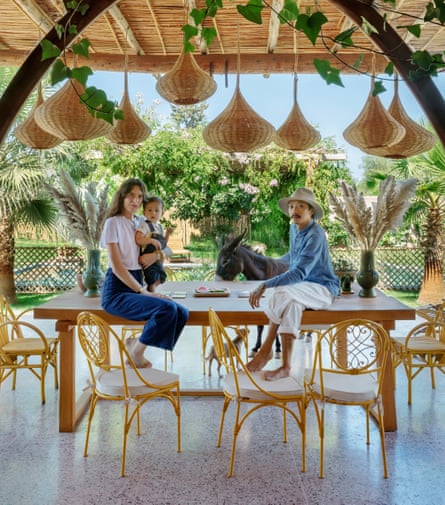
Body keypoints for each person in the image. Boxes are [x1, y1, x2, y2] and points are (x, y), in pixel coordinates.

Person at [247, 187, 340, 381]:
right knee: (292, 305)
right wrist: (271, 263)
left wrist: (265, 284)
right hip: (302, 289)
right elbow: (294, 258)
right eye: (291, 206)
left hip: (322, 287)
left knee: (280, 291)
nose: (294, 210)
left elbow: (299, 272)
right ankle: (286, 366)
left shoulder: (316, 234)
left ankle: (265, 350)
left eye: (300, 206)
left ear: (311, 211)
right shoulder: (294, 229)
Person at [100, 178, 189, 368]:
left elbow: (163, 249)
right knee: (166, 309)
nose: (136, 200)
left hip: (137, 281)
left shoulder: (141, 222)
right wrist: (143, 291)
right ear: (122, 196)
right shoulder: (112, 223)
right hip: (117, 289)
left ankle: (135, 342)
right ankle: (136, 354)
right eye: (131, 195)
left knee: (181, 312)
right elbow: (117, 266)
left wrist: (155, 255)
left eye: (140, 196)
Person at [136, 196, 174, 292]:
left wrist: (168, 234)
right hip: (148, 257)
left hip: (157, 259)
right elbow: (138, 239)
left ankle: (151, 291)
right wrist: (151, 241)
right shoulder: (144, 225)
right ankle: (152, 292)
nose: (153, 213)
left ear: (162, 213)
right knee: (152, 278)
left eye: (157, 210)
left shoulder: (160, 227)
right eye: (149, 210)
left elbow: (163, 244)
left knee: (161, 277)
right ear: (144, 212)